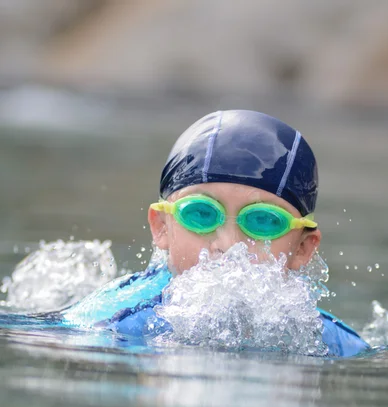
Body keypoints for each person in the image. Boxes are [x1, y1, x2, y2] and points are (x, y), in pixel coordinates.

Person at [64, 110, 370, 357]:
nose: (229, 244)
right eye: (201, 214)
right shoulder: (106, 326)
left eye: (263, 221)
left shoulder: (334, 343)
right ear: (162, 227)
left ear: (303, 247)